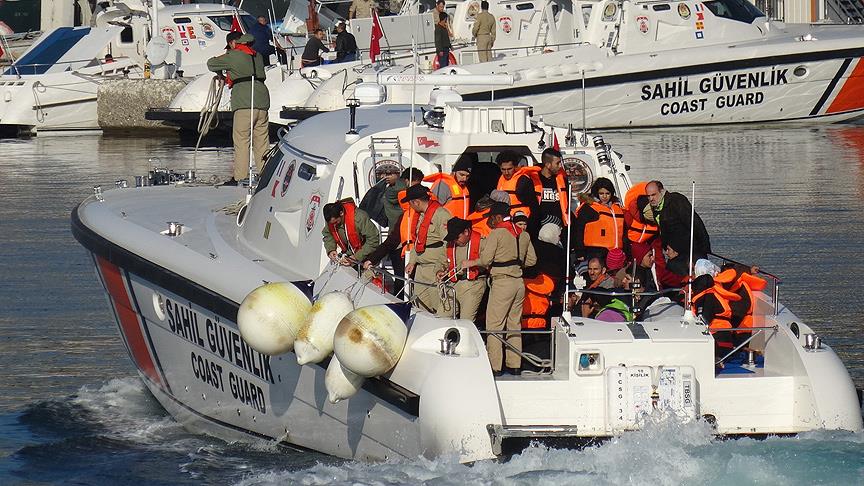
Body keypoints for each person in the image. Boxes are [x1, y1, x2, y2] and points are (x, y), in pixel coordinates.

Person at [462, 202, 537, 376]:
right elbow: (532, 260)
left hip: (502, 283)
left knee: (494, 325)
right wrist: (515, 264)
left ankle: (495, 367)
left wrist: (470, 263)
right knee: (514, 325)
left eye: (491, 218)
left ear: (497, 217)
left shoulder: (496, 233)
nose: (490, 221)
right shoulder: (523, 234)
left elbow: (485, 260)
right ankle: (514, 365)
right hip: (519, 283)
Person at [207, 32, 270, 185]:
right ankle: (265, 175)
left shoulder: (234, 55)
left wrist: (222, 69)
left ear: (233, 43)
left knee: (242, 140)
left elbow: (211, 63)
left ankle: (240, 177)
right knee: (262, 142)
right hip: (261, 100)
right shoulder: (258, 55)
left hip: (244, 101)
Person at [403, 185, 451, 313]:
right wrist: (412, 261)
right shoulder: (420, 216)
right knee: (420, 304)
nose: (410, 207)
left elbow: (448, 243)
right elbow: (418, 240)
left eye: (410, 203)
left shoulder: (441, 214)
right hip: (421, 268)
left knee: (439, 306)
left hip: (433, 267)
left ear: (416, 202)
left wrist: (441, 266)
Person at [645, 180, 711, 265]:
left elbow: (695, 223)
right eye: (648, 196)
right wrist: (667, 247)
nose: (651, 199)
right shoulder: (655, 207)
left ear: (661, 191)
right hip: (674, 253)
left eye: (653, 195)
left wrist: (705, 247)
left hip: (691, 249)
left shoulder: (676, 200)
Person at [439, 217, 487, 322]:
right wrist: (441, 271)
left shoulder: (482, 242)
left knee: (466, 320)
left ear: (466, 232)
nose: (455, 241)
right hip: (453, 284)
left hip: (473, 284)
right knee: (441, 318)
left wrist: (474, 263)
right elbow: (443, 261)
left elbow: (489, 261)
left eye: (457, 237)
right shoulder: (449, 244)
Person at [571, 177, 625, 260]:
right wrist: (580, 251)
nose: (604, 196)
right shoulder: (589, 208)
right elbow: (579, 230)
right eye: (601, 193)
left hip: (615, 252)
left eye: (607, 193)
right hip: (594, 252)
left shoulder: (618, 208)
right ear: (596, 193)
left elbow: (624, 232)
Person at [322, 199, 380, 267]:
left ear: (341, 213)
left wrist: (356, 257)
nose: (334, 225)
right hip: (348, 257)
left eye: (336, 222)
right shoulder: (331, 219)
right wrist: (331, 249)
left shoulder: (359, 218)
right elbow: (328, 234)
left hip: (367, 257)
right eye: (332, 223)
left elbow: (373, 240)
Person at [534, 148, 569, 229]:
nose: (560, 166)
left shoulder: (563, 181)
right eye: (557, 163)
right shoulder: (533, 180)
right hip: (537, 226)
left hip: (558, 227)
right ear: (548, 165)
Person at [496, 151, 537, 218]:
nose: (506, 172)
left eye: (509, 169)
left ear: (515, 167)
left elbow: (533, 206)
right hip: (505, 218)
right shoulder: (500, 179)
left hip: (521, 219)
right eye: (503, 169)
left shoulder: (523, 181)